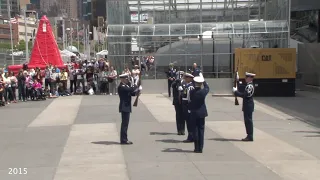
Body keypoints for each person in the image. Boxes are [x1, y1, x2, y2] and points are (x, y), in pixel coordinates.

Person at [117, 73, 142, 144]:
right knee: (124, 124)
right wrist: (135, 83)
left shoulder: (125, 86)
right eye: (126, 79)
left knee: (125, 124)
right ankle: (123, 140)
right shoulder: (121, 87)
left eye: (127, 78)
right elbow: (131, 89)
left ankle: (124, 139)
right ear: (122, 79)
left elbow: (131, 93)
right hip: (124, 107)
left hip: (126, 106)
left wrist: (137, 92)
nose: (127, 80)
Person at [189, 74, 209, 153]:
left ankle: (196, 147)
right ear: (200, 83)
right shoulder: (203, 92)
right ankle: (200, 148)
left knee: (195, 130)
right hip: (201, 113)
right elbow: (207, 88)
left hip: (194, 113)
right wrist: (203, 80)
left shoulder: (191, 92)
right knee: (201, 130)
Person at [232, 72, 256, 141]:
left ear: (250, 78)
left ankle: (250, 136)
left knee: (248, 121)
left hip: (248, 106)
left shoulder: (250, 86)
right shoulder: (248, 85)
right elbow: (242, 88)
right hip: (247, 105)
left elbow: (245, 95)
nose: (245, 78)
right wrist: (237, 80)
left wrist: (236, 92)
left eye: (247, 77)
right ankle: (249, 135)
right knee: (247, 121)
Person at [180, 73, 195, 143]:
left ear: (190, 78)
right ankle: (190, 136)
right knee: (188, 122)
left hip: (188, 105)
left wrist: (189, 107)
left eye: (186, 78)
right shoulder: (187, 86)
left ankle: (191, 137)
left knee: (190, 122)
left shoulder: (191, 87)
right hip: (185, 105)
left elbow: (190, 98)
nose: (185, 79)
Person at [171, 71, 185, 135]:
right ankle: (179, 130)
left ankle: (183, 130)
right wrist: (177, 81)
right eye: (179, 75)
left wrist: (182, 90)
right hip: (177, 101)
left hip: (183, 101)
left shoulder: (184, 83)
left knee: (183, 116)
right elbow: (172, 85)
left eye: (181, 75)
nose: (180, 76)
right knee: (178, 115)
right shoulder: (175, 82)